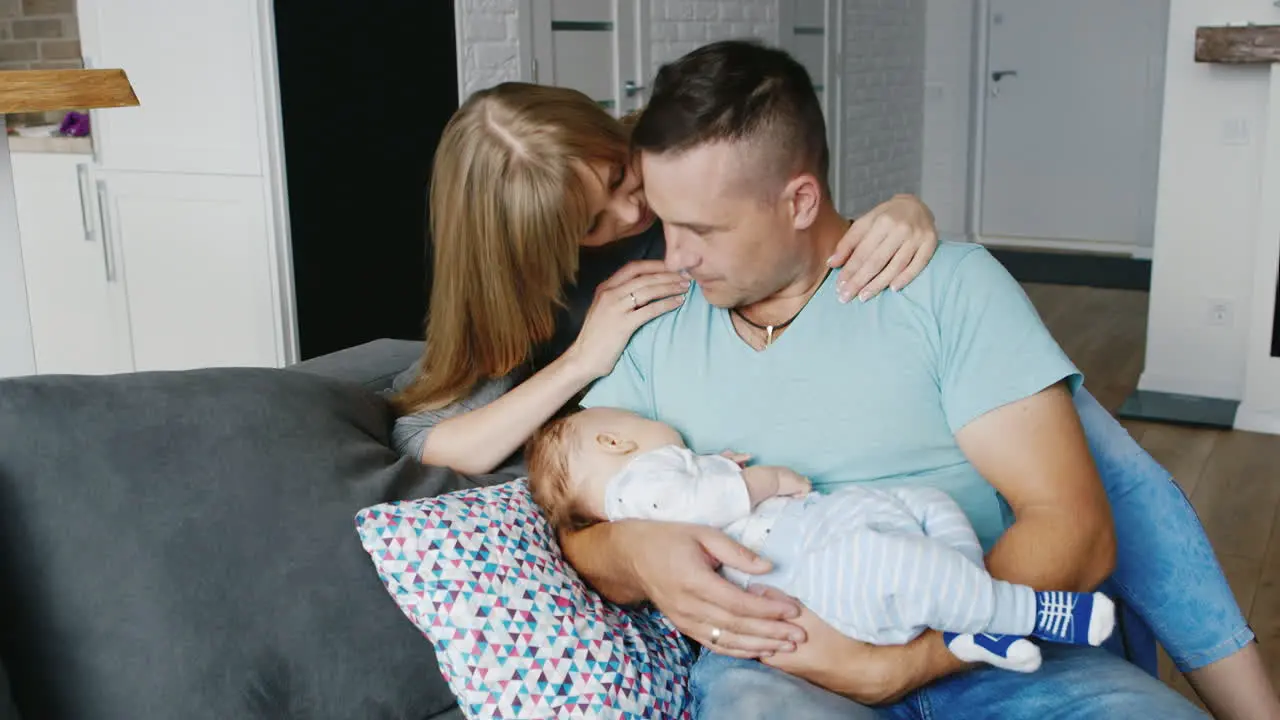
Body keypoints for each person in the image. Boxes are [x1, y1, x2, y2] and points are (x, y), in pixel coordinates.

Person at [390, 71, 1277, 718]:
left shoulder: (901, 270)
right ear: (533, 246)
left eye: (637, 188)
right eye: (605, 220)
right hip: (780, 656)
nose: (648, 234)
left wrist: (905, 219)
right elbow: (450, 449)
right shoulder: (619, 324)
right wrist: (595, 399)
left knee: (1096, 463)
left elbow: (751, 155)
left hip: (975, 624)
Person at [524, 406, 1119, 675]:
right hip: (811, 573)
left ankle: (969, 611)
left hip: (828, 524)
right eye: (628, 419)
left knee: (930, 507)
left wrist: (713, 467)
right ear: (611, 443)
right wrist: (757, 480)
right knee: (896, 565)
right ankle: (1029, 611)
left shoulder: (652, 475)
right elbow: (685, 502)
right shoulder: (639, 488)